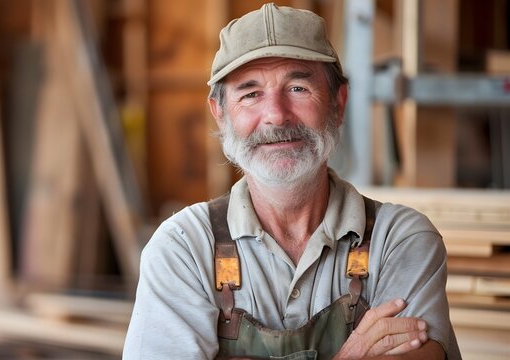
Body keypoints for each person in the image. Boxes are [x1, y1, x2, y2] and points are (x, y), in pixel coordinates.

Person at [123, 3, 461, 359]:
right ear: (221, 114)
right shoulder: (184, 250)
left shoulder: (400, 241)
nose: (276, 115)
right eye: (251, 94)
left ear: (338, 102)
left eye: (298, 87)